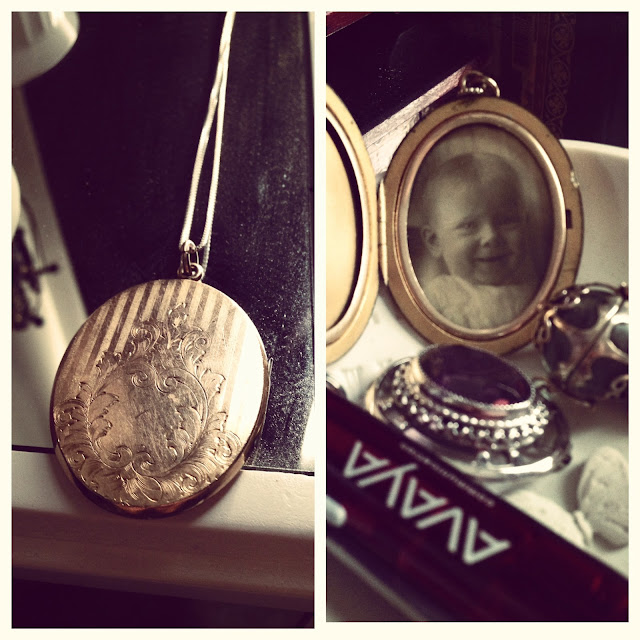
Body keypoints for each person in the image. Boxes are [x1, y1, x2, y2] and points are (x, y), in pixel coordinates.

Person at [409, 152, 538, 330]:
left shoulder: (536, 291)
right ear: (434, 241)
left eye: (506, 221)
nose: (491, 236)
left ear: (526, 224)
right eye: (469, 226)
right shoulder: (437, 297)